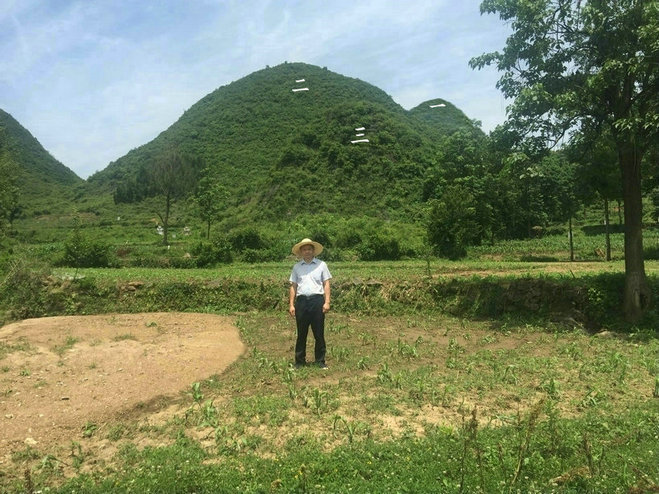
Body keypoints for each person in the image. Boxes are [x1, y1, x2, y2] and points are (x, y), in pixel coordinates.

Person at [288, 238, 332, 369]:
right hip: (301, 302)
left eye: (309, 249)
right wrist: (291, 304)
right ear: (301, 252)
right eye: (304, 249)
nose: (307, 252)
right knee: (301, 333)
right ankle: (299, 362)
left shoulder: (321, 265)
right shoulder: (296, 267)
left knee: (318, 333)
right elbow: (293, 286)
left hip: (317, 301)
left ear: (313, 251)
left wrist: (327, 302)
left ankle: (320, 361)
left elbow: (326, 284)